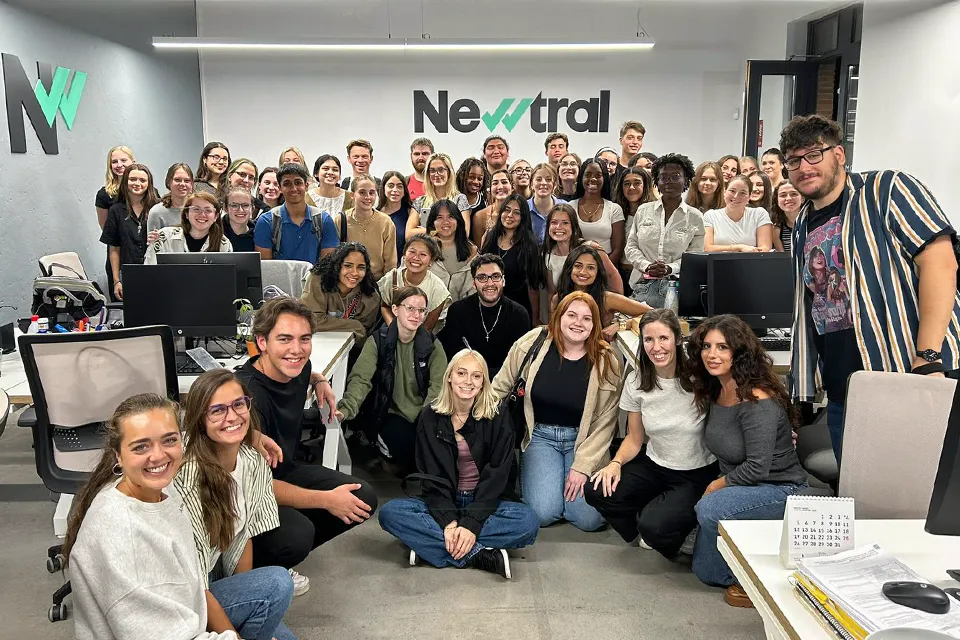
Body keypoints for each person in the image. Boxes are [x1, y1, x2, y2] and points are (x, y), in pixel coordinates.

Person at [779, 114, 960, 461]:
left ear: (839, 155)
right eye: (793, 161)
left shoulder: (887, 189)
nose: (803, 167)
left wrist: (929, 356)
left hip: (908, 376)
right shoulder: (803, 222)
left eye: (814, 154)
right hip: (844, 389)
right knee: (861, 499)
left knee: (923, 499)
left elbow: (940, 263)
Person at [63, 393, 294, 640]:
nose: (159, 456)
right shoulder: (121, 537)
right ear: (118, 455)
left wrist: (249, 435)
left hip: (185, 608)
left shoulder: (159, 486)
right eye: (141, 446)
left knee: (277, 589)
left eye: (169, 440)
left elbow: (195, 582)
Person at [235, 297, 378, 588]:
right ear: (262, 342)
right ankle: (261, 569)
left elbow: (304, 367)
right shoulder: (247, 398)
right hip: (248, 494)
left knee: (362, 497)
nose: (296, 350)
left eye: (304, 339)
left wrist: (319, 380)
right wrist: (326, 501)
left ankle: (280, 550)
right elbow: (253, 485)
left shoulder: (299, 366)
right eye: (284, 339)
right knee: (297, 535)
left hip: (284, 468)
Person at [377, 349, 539, 578]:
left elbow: (497, 476)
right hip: (444, 499)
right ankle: (479, 554)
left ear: (483, 382)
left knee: (528, 522)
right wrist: (450, 522)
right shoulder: (430, 417)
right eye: (461, 373)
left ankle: (430, 547)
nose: (468, 381)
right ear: (449, 377)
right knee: (390, 513)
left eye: (476, 376)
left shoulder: (498, 415)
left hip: (485, 500)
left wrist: (471, 523)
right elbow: (431, 479)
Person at [687, 314, 808, 607]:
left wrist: (718, 485)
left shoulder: (757, 399)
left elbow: (757, 466)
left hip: (780, 488)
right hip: (742, 486)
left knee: (709, 508)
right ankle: (753, 547)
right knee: (706, 571)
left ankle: (765, 577)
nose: (712, 355)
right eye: (707, 346)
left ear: (739, 353)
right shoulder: (717, 387)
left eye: (722, 347)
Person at [584, 309, 718, 558]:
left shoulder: (701, 378)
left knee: (656, 528)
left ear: (678, 339)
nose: (657, 347)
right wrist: (615, 463)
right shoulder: (637, 381)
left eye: (664, 338)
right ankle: (650, 526)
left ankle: (674, 526)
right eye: (649, 339)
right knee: (596, 489)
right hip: (655, 464)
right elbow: (635, 439)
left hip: (694, 472)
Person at [174, 370, 298, 636]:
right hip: (185, 592)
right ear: (200, 420)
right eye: (217, 410)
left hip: (215, 578)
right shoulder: (188, 477)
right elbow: (194, 581)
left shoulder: (252, 461)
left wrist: (245, 594)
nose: (232, 417)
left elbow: (243, 537)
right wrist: (233, 635)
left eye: (238, 404)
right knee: (278, 582)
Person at [492, 292, 621, 531]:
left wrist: (582, 467)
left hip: (584, 441)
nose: (577, 323)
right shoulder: (534, 341)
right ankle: (554, 489)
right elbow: (499, 386)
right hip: (540, 436)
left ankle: (567, 489)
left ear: (594, 324)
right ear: (559, 316)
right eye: (571, 315)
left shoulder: (606, 360)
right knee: (542, 514)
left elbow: (606, 422)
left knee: (589, 520)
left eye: (586, 318)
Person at [336, 286, 448, 475]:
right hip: (389, 411)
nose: (416, 315)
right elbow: (361, 380)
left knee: (431, 450)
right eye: (410, 308)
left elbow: (438, 386)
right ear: (395, 310)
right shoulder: (377, 342)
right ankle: (384, 449)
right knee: (403, 451)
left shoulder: (432, 345)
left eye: (421, 310)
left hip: (425, 413)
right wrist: (346, 409)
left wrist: (427, 421)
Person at [624, 153, 705, 306]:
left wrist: (669, 268)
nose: (669, 181)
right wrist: (646, 266)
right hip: (642, 286)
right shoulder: (643, 211)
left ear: (686, 179)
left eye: (676, 177)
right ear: (656, 181)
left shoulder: (695, 217)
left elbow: (694, 257)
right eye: (663, 177)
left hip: (677, 289)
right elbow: (631, 247)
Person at [438, 254, 532, 377]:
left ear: (503, 281)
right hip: (466, 379)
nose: (489, 283)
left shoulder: (519, 315)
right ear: (473, 283)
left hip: (504, 382)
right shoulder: (458, 311)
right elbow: (453, 356)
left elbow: (518, 363)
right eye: (482, 277)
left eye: (495, 277)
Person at [553, 244, 651, 340]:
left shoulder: (607, 298)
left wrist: (622, 325)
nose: (583, 272)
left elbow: (653, 314)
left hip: (597, 353)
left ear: (598, 273)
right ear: (569, 269)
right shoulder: (558, 298)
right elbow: (554, 333)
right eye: (578, 266)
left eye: (590, 268)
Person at [253, 163, 339, 262]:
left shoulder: (324, 220)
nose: (293, 188)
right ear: (280, 188)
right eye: (287, 184)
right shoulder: (267, 221)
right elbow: (266, 268)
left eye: (298, 183)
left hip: (314, 277)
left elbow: (327, 268)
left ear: (306, 186)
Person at [301, 242, 382, 346]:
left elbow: (363, 336)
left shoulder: (371, 297)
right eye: (348, 266)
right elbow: (310, 321)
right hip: (313, 343)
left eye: (361, 267)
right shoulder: (317, 280)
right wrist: (355, 325)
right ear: (337, 265)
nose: (354, 273)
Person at [480, 195, 544, 320]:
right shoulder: (489, 236)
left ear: (523, 217)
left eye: (516, 213)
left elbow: (532, 286)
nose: (510, 215)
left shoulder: (529, 245)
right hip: (489, 305)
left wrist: (535, 318)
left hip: (517, 309)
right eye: (507, 210)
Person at [101, 163, 160, 301]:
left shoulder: (158, 208)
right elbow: (114, 248)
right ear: (125, 181)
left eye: (142, 180)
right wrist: (116, 281)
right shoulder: (115, 210)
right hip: (126, 274)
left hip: (154, 273)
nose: (137, 183)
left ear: (149, 183)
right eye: (133, 179)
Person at [541, 204, 622, 296]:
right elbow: (552, 292)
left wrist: (618, 307)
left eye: (565, 223)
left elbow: (613, 275)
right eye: (554, 222)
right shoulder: (548, 254)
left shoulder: (592, 248)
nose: (559, 227)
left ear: (573, 226)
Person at [379, 234, 451, 333]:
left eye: (423, 254)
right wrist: (395, 329)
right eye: (412, 252)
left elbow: (428, 327)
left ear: (431, 261)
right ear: (404, 255)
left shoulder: (438, 289)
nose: (416, 258)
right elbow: (385, 306)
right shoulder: (392, 277)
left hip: (422, 336)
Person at [145, 191, 233, 263]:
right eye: (196, 209)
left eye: (208, 210)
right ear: (186, 214)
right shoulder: (163, 237)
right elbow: (150, 271)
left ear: (216, 217)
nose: (202, 214)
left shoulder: (224, 244)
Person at [568, 158, 626, 267]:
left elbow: (618, 249)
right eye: (588, 175)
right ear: (581, 178)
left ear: (604, 178)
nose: (593, 179)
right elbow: (567, 243)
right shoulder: (570, 207)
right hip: (575, 268)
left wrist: (601, 269)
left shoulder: (614, 209)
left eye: (598, 175)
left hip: (607, 268)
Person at [340, 174, 397, 279]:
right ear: (352, 195)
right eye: (362, 192)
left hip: (376, 283)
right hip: (347, 281)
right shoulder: (340, 220)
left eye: (372, 193)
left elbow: (390, 263)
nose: (368, 197)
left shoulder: (385, 222)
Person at [702, 175, 773, 253]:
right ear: (724, 192)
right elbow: (707, 248)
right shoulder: (711, 216)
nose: (736, 196)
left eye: (742, 193)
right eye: (732, 191)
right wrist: (739, 248)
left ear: (749, 197)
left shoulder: (759, 214)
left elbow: (764, 248)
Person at [426, 199, 478, 302]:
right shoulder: (424, 248)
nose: (445, 222)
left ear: (458, 221)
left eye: (450, 216)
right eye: (439, 217)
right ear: (432, 222)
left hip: (461, 312)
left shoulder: (471, 250)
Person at [612, 166, 657, 282]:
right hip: (619, 272)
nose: (631, 187)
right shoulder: (616, 212)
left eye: (637, 183)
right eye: (627, 184)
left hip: (645, 276)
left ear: (645, 185)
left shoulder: (655, 212)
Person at [413, 152, 469, 225]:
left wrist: (428, 229)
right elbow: (409, 233)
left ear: (449, 172)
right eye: (432, 170)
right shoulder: (420, 201)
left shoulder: (460, 199)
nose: (436, 174)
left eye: (441, 170)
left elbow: (465, 231)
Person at [380, 170, 419, 258]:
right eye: (390, 186)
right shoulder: (375, 214)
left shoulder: (411, 213)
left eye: (399, 186)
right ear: (383, 188)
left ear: (404, 190)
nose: (395, 190)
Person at [96, 145, 136, 230]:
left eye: (123, 160)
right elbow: (106, 229)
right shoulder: (104, 194)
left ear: (133, 162)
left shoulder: (148, 191)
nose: (119, 165)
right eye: (114, 162)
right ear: (110, 166)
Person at [471, 169, 513, 247]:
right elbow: (478, 250)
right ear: (490, 189)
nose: (500, 187)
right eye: (495, 183)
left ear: (512, 187)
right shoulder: (480, 216)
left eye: (504, 182)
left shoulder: (521, 212)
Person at [148, 162, 194, 233]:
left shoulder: (198, 210)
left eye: (187, 181)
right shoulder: (157, 212)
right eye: (177, 180)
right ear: (168, 182)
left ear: (191, 184)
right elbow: (153, 243)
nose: (182, 184)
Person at [528, 163, 565, 244]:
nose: (543, 183)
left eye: (548, 179)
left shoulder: (565, 207)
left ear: (554, 185)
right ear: (531, 184)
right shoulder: (523, 207)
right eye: (538, 179)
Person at [770, 181, 803, 253]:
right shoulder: (776, 228)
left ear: (802, 198)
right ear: (777, 200)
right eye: (783, 195)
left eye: (794, 194)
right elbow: (783, 258)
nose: (788, 198)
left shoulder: (812, 222)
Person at [221, 187, 257, 253]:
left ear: (252, 208)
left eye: (245, 205)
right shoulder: (215, 231)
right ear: (225, 208)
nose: (240, 210)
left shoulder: (258, 233)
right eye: (234, 205)